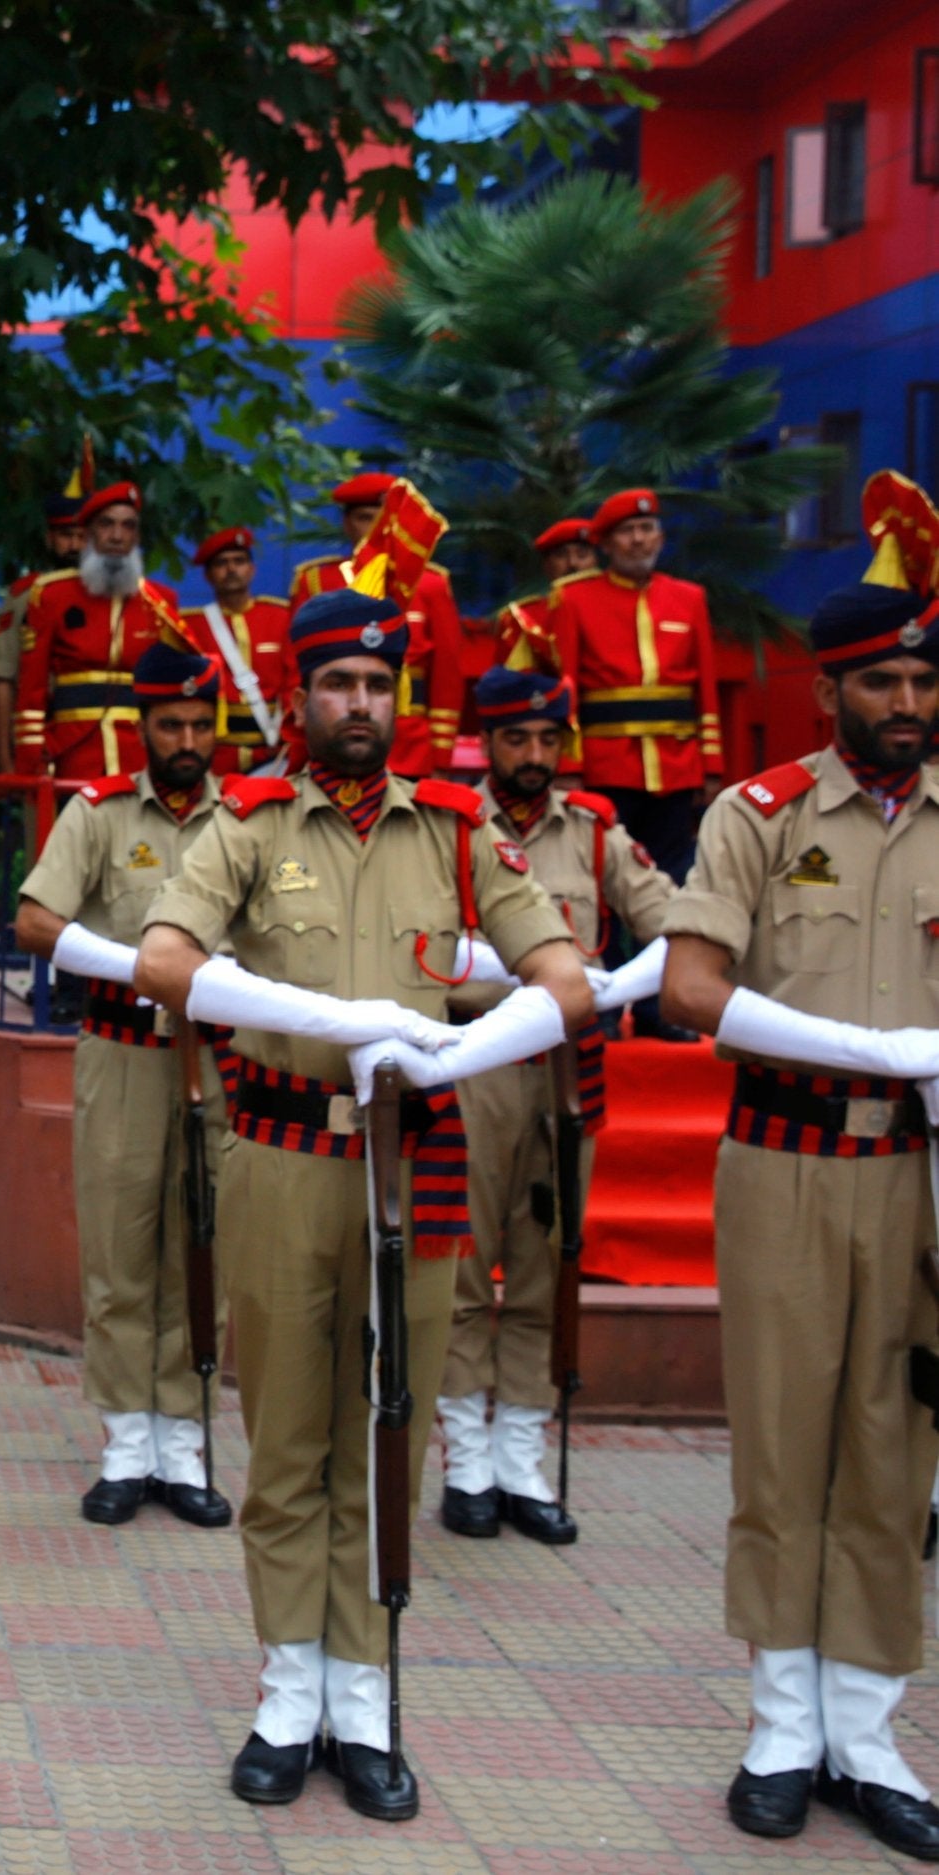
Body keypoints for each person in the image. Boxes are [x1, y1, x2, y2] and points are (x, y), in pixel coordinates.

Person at [135, 579, 590, 1823]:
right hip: (281, 1161)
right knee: (288, 1436)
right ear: (297, 698)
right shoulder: (246, 825)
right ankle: (288, 1690)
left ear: (399, 701)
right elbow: (165, 962)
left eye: (376, 686)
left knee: (386, 1433)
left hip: (410, 1169)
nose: (356, 704)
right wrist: (334, 1022)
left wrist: (455, 1052)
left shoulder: (451, 830)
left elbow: (564, 979)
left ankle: (366, 1696)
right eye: (335, 684)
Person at [653, 476, 939, 1860]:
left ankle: (868, 1729)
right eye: (880, 679)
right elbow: (691, 988)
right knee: (783, 1441)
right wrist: (868, 1046)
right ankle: (778, 1719)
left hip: (918, 1178)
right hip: (782, 1155)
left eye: (922, 679)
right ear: (832, 687)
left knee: (894, 1451)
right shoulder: (758, 812)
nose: (906, 702)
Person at [437, 668, 674, 1546]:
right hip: (478, 1059)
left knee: (550, 1254)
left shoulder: (597, 830)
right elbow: (426, 947)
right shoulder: (446, 823)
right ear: (486, 742)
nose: (534, 757)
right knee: (468, 1258)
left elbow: (676, 923)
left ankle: (519, 1459)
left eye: (548, 740)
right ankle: (464, 1459)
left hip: (566, 1069)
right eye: (516, 740)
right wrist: (547, 975)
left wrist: (612, 988)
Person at [14, 642, 233, 1528]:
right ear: (139, 726)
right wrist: (148, 968)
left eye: (198, 724)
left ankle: (183, 1442)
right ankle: (125, 1440)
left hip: (218, 1055)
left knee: (199, 1246)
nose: (186, 739)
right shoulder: (99, 813)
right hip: (122, 1049)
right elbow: (36, 921)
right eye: (169, 724)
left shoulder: (247, 817)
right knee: (120, 1248)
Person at [547, 488, 723, 882]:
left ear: (661, 537)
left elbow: (706, 689)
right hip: (606, 767)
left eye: (647, 528)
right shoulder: (573, 598)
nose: (639, 539)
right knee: (603, 876)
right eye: (628, 531)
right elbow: (566, 686)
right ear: (607, 544)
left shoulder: (690, 598)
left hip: (677, 766)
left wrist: (710, 766)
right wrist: (569, 765)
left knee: (672, 875)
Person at [5, 465, 192, 780]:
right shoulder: (51, 595)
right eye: (107, 525)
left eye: (127, 526)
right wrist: (31, 764)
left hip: (142, 756)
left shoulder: (161, 602)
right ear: (89, 533)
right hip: (72, 752)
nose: (117, 536)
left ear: (137, 535)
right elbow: (32, 689)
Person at [287, 473, 465, 777]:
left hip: (411, 744)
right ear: (346, 523)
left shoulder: (431, 584)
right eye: (366, 519)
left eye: (384, 519)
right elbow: (294, 668)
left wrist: (440, 755)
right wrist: (297, 740)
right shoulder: (316, 580)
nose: (376, 530)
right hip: (332, 738)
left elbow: (448, 671)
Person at [0, 447, 96, 762]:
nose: (75, 545)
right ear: (50, 538)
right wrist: (5, 759)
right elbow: (5, 678)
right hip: (40, 734)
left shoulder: (117, 594)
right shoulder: (27, 594)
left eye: (83, 535)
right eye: (66, 535)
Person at [184, 525, 294, 771]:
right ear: (208, 575)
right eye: (222, 563)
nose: (231, 569)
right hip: (217, 753)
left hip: (274, 748)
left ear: (252, 570)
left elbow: (293, 680)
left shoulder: (280, 616)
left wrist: (288, 736)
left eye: (239, 561)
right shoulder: (191, 627)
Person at [491, 517, 599, 674]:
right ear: (546, 565)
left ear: (596, 561)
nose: (573, 563)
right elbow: (510, 684)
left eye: (582, 555)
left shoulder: (622, 606)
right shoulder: (523, 618)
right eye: (561, 555)